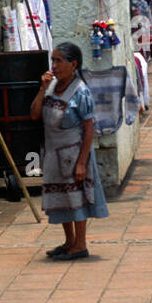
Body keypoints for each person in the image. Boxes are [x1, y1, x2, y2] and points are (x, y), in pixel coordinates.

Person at [30, 42, 108, 261]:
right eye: (52, 60)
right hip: (53, 152)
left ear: (73, 64)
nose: (54, 66)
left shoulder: (80, 91)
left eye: (59, 61)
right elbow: (34, 115)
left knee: (76, 197)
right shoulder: (51, 87)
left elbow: (89, 128)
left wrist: (82, 162)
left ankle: (80, 244)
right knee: (61, 197)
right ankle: (69, 241)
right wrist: (42, 89)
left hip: (73, 153)